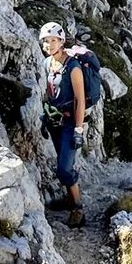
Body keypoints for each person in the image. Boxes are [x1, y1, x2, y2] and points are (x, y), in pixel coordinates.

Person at [39, 21, 88, 225]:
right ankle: (69, 199)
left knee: (64, 169)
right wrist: (45, 117)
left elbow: (80, 100)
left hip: (70, 123)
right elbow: (49, 94)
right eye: (46, 41)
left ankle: (77, 209)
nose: (49, 45)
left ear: (61, 41)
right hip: (55, 121)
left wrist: (78, 129)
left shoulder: (73, 67)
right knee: (62, 160)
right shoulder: (47, 64)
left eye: (54, 40)